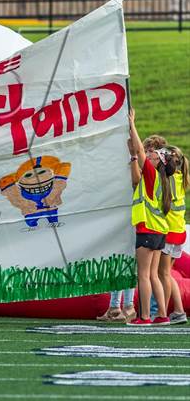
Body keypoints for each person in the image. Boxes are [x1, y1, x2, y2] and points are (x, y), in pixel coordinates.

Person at [127, 110, 175, 326]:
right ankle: (162, 315)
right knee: (154, 275)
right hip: (159, 231)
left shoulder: (152, 174)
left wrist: (132, 124)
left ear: (159, 162)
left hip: (147, 230)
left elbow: (139, 150)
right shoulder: (163, 179)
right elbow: (137, 160)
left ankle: (145, 316)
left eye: (154, 156)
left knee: (144, 275)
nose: (150, 155)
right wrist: (133, 156)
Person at [97, 137, 139, 323]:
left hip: (130, 222)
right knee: (120, 264)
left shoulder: (135, 168)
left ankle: (124, 306)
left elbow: (135, 183)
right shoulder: (119, 169)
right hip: (122, 221)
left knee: (124, 264)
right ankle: (118, 306)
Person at [158, 145, 188, 324]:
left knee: (163, 275)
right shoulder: (181, 177)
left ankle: (162, 312)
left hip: (169, 232)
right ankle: (178, 310)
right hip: (179, 231)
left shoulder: (166, 179)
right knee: (166, 274)